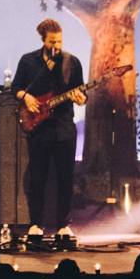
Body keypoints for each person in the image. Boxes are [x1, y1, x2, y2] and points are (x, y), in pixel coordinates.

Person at [12, 17, 85, 243]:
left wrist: (81, 97)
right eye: (52, 41)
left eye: (60, 41)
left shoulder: (72, 62)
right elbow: (16, 87)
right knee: (38, 177)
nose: (57, 46)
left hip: (64, 127)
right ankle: (36, 224)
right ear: (43, 40)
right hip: (39, 128)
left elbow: (82, 94)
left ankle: (64, 225)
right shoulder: (28, 61)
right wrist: (27, 97)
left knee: (65, 178)